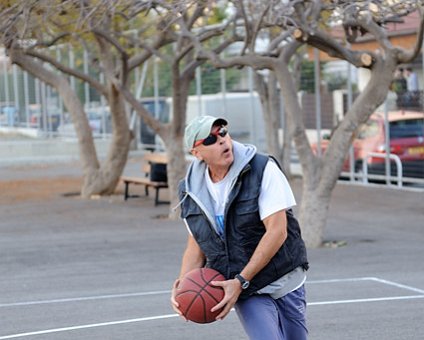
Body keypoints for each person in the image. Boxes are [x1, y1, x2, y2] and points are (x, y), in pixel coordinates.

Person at [171, 115, 309, 340]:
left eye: (223, 132)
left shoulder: (262, 168)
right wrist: (183, 286)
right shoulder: (190, 190)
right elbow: (196, 246)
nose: (223, 141)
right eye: (210, 140)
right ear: (196, 153)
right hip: (245, 287)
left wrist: (241, 279)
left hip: (283, 275)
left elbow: (277, 231)